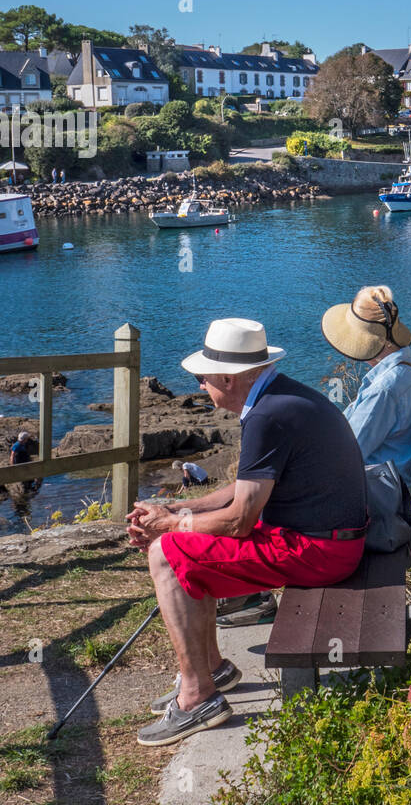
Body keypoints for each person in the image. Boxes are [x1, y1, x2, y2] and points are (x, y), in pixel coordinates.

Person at [126, 318, 368, 746]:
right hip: (330, 540)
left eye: (203, 378)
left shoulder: (267, 417)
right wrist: (178, 508)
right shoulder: (281, 398)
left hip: (321, 552)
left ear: (228, 378)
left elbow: (240, 520)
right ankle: (211, 669)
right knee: (179, 544)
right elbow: (245, 489)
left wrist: (169, 525)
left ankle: (197, 696)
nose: (200, 386)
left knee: (167, 553)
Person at [322, 285, 411, 553]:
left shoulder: (386, 389)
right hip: (389, 490)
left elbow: (348, 453)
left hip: (378, 505)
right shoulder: (406, 372)